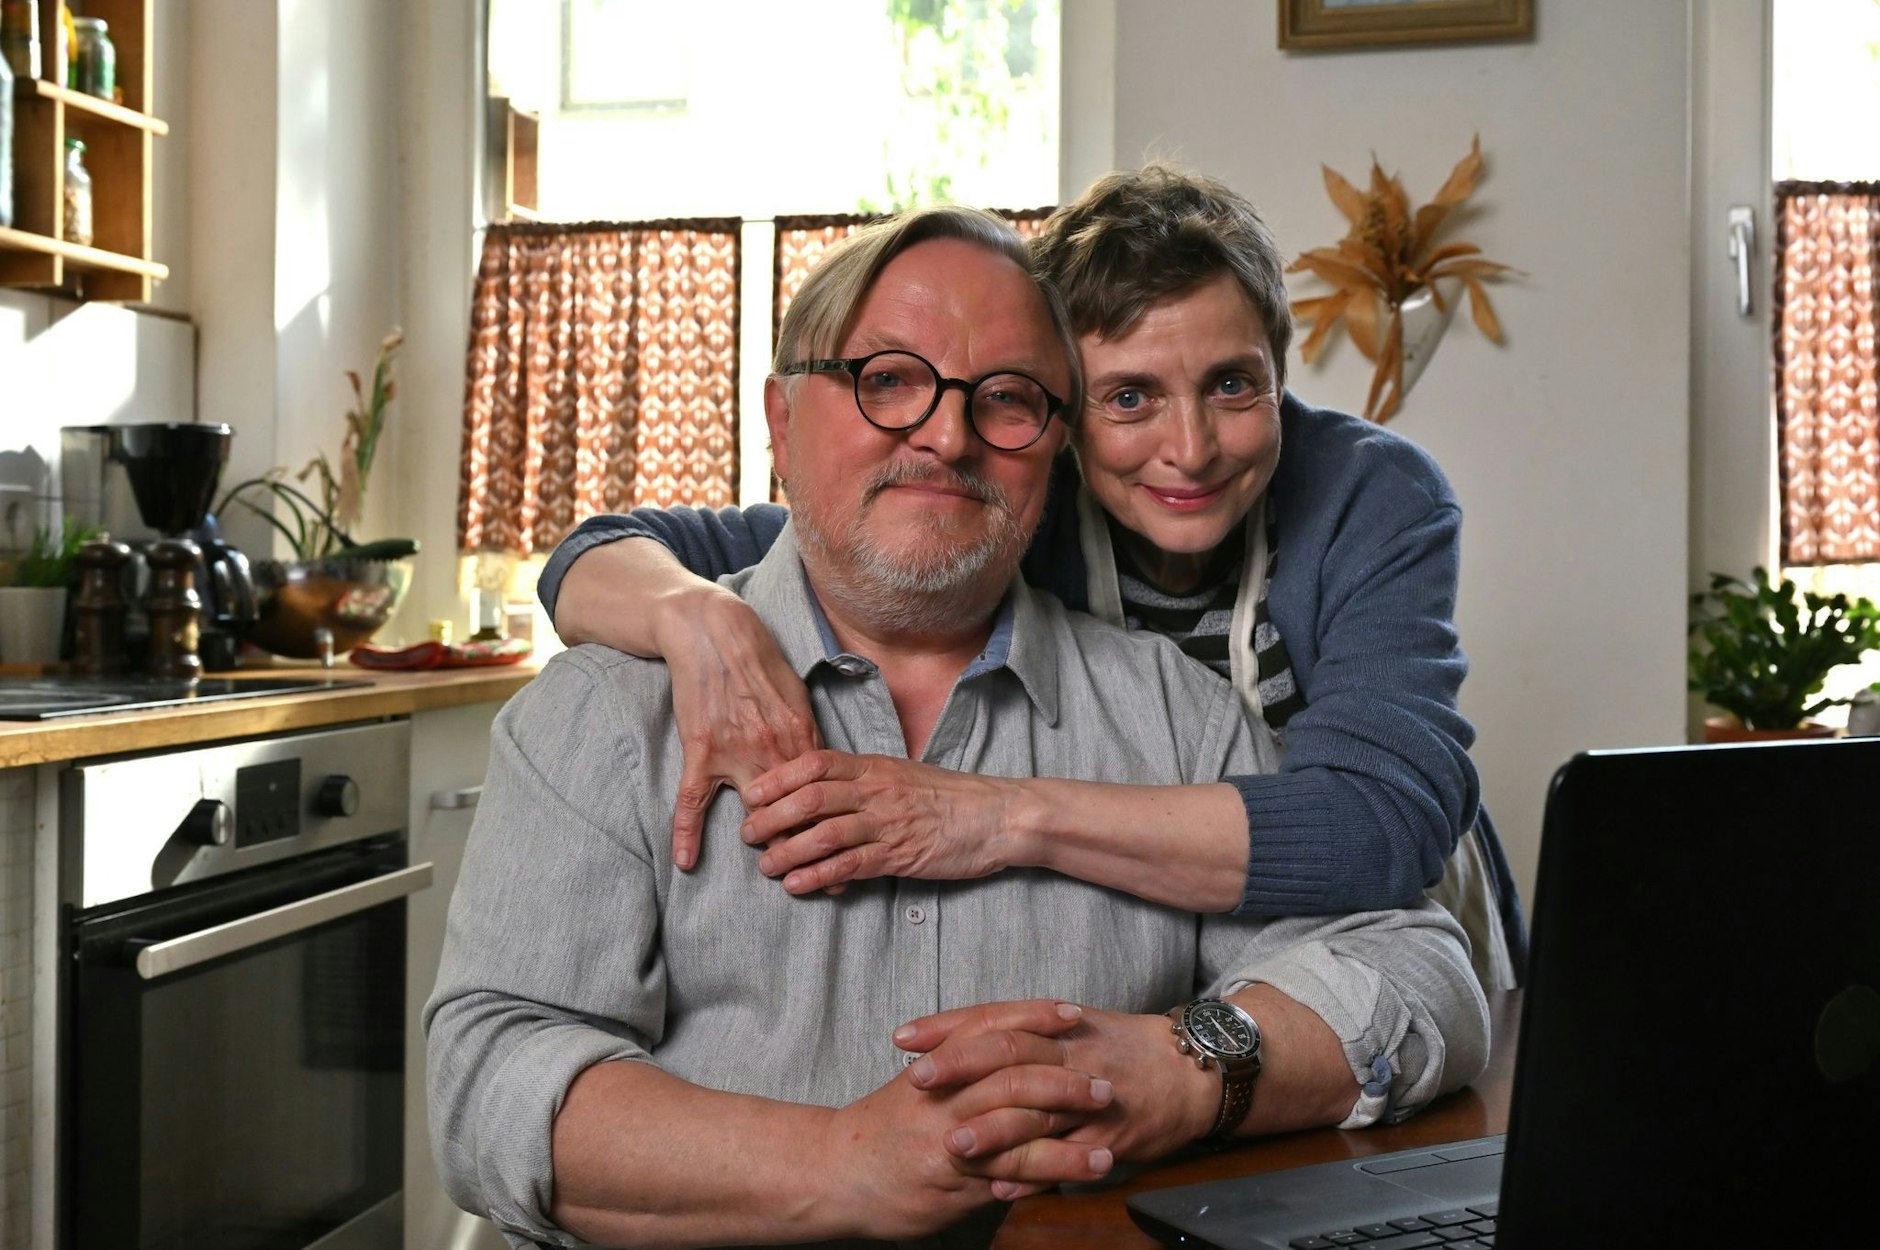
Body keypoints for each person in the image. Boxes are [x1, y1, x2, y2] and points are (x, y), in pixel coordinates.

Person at [426, 206, 1489, 1249]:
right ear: (779, 422)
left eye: (1005, 397)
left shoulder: (1184, 707)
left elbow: (1412, 962)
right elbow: (489, 1082)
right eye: (886, 379)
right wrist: (837, 1161)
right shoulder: (607, 714)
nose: (943, 433)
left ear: (1047, 445)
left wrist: (1184, 1064)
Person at [536, 166, 1525, 988]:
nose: (1190, 448)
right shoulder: (1009, 489)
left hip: (1365, 931)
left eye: (1230, 384)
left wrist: (993, 814)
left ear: (1278, 367)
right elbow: (610, 547)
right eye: (1127, 396)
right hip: (1158, 928)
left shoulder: (1370, 493)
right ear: (1051, 411)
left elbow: (1376, 825)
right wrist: (693, 617)